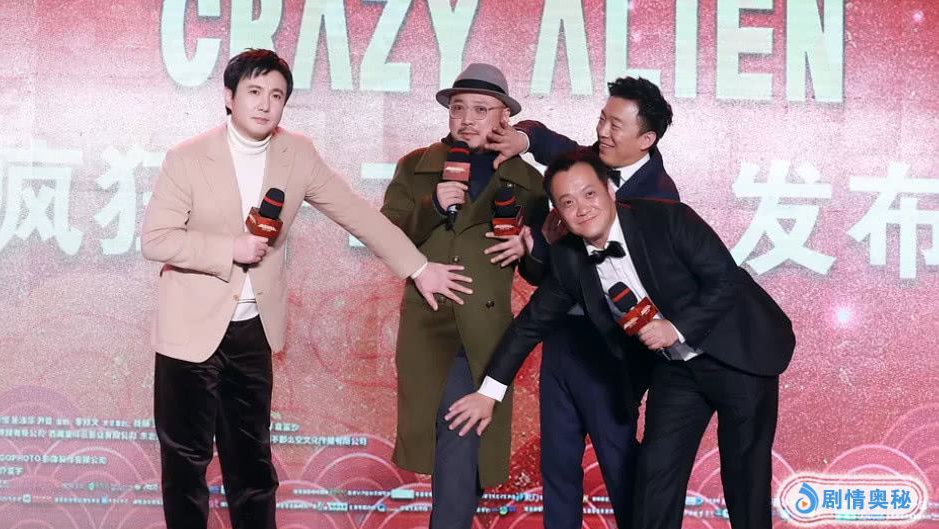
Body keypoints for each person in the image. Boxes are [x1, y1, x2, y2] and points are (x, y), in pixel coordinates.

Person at [141, 48, 468, 529]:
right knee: (185, 462)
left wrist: (418, 268)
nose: (265, 103)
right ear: (229, 97)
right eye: (254, 91)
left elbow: (356, 214)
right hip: (188, 330)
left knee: (252, 463)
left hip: (253, 329)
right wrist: (229, 248)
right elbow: (156, 239)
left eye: (276, 95)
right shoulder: (188, 158)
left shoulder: (297, 155)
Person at [447, 149, 795, 529]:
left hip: (737, 352)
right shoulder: (569, 260)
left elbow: (726, 280)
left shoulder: (667, 219)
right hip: (676, 370)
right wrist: (489, 393)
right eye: (567, 202)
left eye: (589, 194)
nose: (582, 209)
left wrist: (675, 328)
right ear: (557, 214)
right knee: (654, 475)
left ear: (610, 190)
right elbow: (530, 324)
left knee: (744, 479)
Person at [485, 76, 680, 529]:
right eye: (602, 119)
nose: (602, 132)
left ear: (646, 139)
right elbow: (546, 139)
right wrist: (523, 137)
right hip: (562, 334)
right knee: (557, 465)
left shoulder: (661, 197)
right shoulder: (588, 162)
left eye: (616, 125)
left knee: (619, 464)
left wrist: (554, 241)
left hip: (614, 345)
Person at [380, 63, 549, 529]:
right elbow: (385, 235)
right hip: (429, 326)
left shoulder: (528, 181)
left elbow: (540, 273)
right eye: (458, 109)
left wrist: (530, 247)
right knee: (457, 439)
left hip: (488, 334)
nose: (467, 119)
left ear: (504, 118)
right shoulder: (416, 166)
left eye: (480, 109)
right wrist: (433, 205)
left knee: (466, 446)